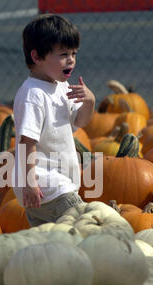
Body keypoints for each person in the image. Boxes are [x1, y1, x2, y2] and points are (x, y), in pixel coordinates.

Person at [11, 13, 95, 226]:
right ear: (37, 57)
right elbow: (27, 142)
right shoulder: (33, 94)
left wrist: (90, 101)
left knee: (50, 245)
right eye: (64, 54)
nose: (71, 60)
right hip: (46, 183)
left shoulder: (60, 87)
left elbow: (81, 122)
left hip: (54, 183)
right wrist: (29, 183)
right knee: (84, 225)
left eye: (74, 53)